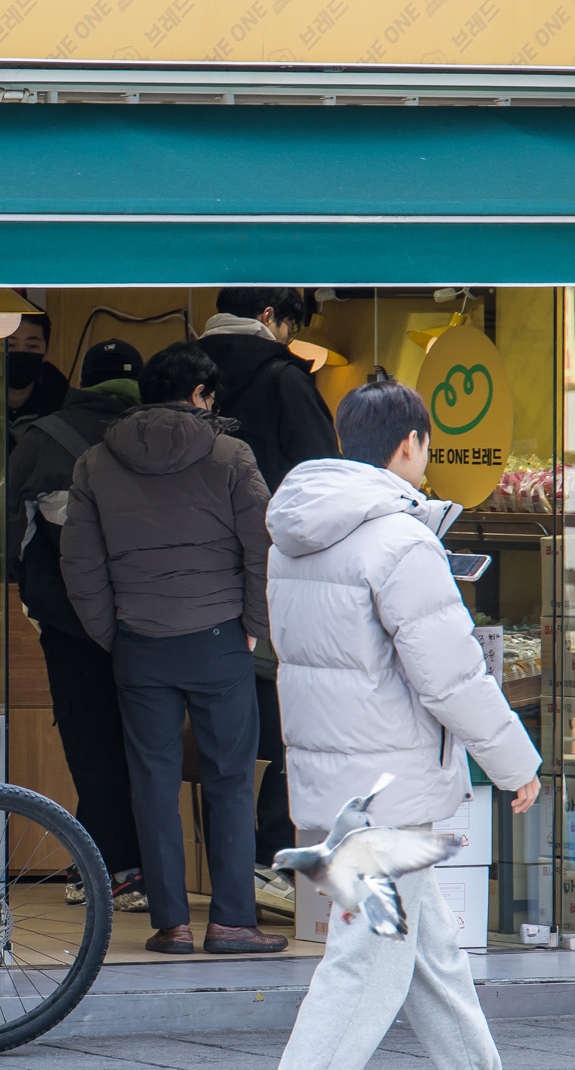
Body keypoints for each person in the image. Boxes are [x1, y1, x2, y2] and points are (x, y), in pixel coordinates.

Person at [249, 381, 563, 1070]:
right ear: (409, 445)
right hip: (391, 783)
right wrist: (516, 762)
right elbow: (451, 674)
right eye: (426, 445)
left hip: (337, 777)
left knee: (428, 952)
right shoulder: (398, 539)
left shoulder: (298, 536)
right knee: (369, 959)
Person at [59, 342, 284, 956]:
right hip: (219, 639)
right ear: (201, 395)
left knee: (152, 784)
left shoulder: (94, 462)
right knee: (229, 781)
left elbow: (80, 565)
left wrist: (114, 632)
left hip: (139, 642)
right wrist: (253, 625)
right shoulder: (231, 455)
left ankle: (172, 925)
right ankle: (231, 922)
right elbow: (263, 548)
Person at [199, 288, 345, 891]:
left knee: (211, 727)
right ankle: (271, 853)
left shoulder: (181, 373)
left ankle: (216, 870)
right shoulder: (286, 381)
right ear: (269, 317)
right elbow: (326, 481)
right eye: (291, 325)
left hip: (194, 584)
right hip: (280, 575)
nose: (291, 338)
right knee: (295, 716)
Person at [5, 339, 146, 911]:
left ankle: (110, 866)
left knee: (92, 743)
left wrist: (35, 606)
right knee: (148, 743)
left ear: (85, 379)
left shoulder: (43, 437)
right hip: (154, 617)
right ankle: (131, 865)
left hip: (70, 623)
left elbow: (11, 534)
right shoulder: (165, 435)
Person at [3, 312, 70, 425]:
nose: (21, 352)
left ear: (46, 352)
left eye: (32, 346)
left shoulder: (64, 406)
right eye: (10, 345)